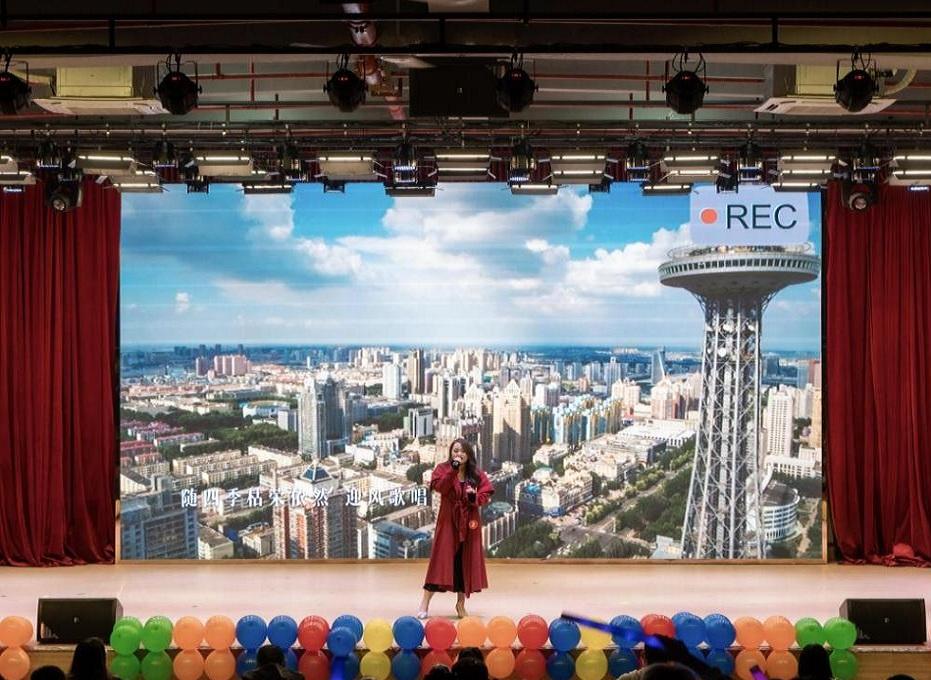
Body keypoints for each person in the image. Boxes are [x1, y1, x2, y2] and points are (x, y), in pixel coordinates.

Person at [418, 438, 494, 619]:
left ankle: (460, 604)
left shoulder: (476, 474)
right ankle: (425, 602)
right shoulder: (442, 469)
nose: (459, 454)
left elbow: (485, 495)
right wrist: (453, 470)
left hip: (469, 523)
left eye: (462, 451)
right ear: (451, 453)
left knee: (463, 563)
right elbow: (440, 487)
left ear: (468, 454)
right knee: (440, 562)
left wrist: (474, 497)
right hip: (448, 521)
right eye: (455, 451)